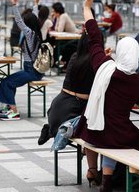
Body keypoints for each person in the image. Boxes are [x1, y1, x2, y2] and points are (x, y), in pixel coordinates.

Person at [74, 0, 139, 192]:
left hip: (93, 131)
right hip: (119, 132)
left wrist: (87, 8)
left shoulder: (104, 66)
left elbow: (95, 38)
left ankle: (107, 180)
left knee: (111, 138)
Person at [38, 32, 105, 186]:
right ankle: (94, 170)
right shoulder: (95, 63)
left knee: (90, 122)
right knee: (95, 128)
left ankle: (51, 129)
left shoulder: (75, 56)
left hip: (57, 106)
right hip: (72, 110)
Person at [0, 0, 44, 120]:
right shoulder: (36, 33)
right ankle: (8, 106)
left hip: (31, 71)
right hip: (34, 70)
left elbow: (19, 21)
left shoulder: (29, 34)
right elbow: (34, 17)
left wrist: (13, 4)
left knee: (7, 83)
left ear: (28, 24)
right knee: (8, 81)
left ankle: (14, 111)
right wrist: (36, 3)